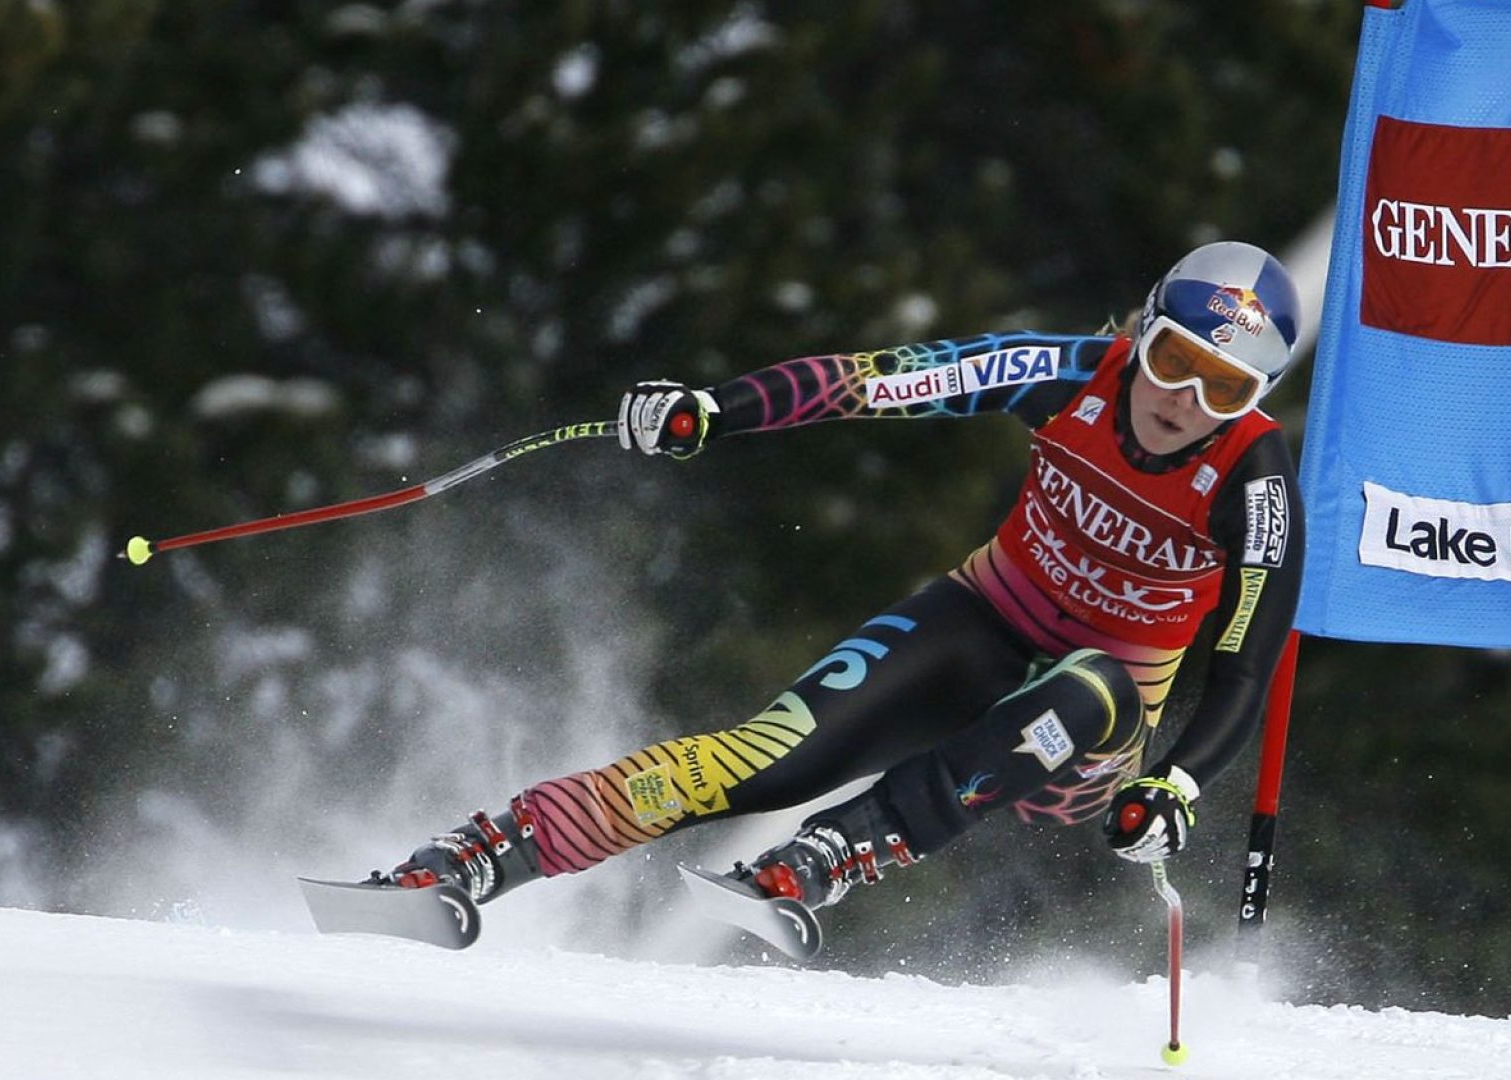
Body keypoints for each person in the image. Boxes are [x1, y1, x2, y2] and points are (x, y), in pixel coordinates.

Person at [367, 241, 1306, 939]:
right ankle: (478, 855)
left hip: (1088, 741)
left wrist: (1177, 785)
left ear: (1252, 401)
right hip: (982, 621)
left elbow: (1246, 668)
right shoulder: (1067, 373)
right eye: (1176, 358)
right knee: (764, 757)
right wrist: (712, 412)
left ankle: (836, 851)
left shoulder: (1255, 486)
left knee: (1089, 683)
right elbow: (876, 383)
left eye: (1223, 388)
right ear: (1143, 332)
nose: (1184, 399)